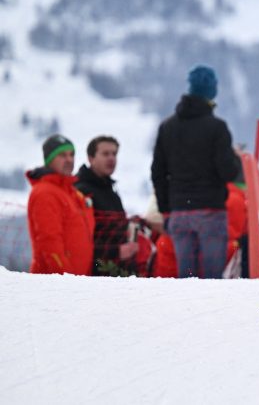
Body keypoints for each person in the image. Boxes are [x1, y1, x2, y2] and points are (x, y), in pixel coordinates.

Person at [151, 65, 240, 278]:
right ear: (212, 91)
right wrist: (235, 158)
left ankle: (188, 312)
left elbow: (157, 172)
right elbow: (229, 172)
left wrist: (166, 210)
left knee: (187, 278)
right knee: (211, 281)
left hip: (180, 212)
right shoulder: (217, 128)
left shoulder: (167, 127)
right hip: (211, 211)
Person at [25, 134, 94, 275]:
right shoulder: (44, 193)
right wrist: (66, 280)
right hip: (56, 285)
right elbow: (49, 243)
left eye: (72, 154)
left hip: (78, 282)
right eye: (62, 155)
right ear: (49, 160)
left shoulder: (72, 192)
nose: (69, 159)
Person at [74, 135, 139, 275]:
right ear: (91, 158)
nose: (111, 158)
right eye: (105, 154)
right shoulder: (81, 192)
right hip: (94, 268)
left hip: (115, 269)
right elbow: (78, 241)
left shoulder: (111, 190)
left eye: (114, 154)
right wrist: (117, 252)